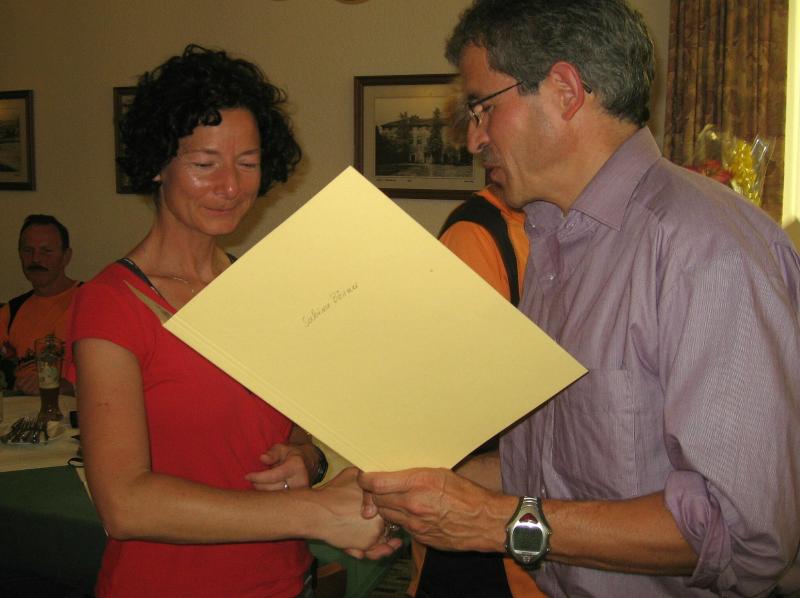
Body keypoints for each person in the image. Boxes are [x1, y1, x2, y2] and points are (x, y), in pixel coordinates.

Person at [359, 1, 800, 596]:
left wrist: (494, 522)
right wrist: (412, 486)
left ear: (565, 91)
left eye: (483, 108)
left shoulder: (705, 250)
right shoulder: (555, 239)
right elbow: (560, 467)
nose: (473, 138)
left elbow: (740, 535)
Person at [67, 44, 397, 598]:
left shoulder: (262, 288)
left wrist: (307, 456)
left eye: (247, 163)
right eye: (205, 164)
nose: (230, 186)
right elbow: (124, 504)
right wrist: (316, 513)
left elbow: (291, 423)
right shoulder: (113, 304)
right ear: (158, 164)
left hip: (286, 582)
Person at [411, 184, 542, 598]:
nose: (476, 149)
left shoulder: (563, 229)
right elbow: (460, 402)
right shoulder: (477, 235)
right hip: (488, 538)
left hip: (541, 520)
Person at [0, 214, 79, 395]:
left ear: (66, 256)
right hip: (20, 408)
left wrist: (67, 386)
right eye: (28, 251)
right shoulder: (11, 312)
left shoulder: (91, 302)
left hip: (74, 406)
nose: (36, 259)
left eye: (46, 251)